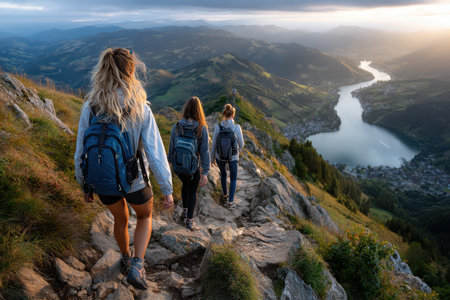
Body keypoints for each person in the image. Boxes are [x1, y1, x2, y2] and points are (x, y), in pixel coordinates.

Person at [74, 48, 173, 290]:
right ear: (130, 71)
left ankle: (126, 257)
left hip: (105, 181)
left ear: (103, 71)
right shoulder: (139, 107)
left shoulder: (91, 106)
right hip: (135, 180)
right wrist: (167, 188)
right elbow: (155, 153)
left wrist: (84, 184)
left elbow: (81, 152)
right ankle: (138, 266)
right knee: (144, 215)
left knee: (121, 219)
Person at [168, 96, 210, 230]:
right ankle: (189, 220)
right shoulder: (201, 128)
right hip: (193, 167)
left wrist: (169, 163)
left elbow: (172, 147)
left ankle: (185, 211)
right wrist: (205, 171)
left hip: (178, 166)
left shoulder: (177, 126)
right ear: (199, 111)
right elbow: (205, 152)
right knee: (192, 190)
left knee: (185, 185)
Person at [211, 104, 244, 209]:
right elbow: (242, 144)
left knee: (223, 175)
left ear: (223, 114)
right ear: (233, 115)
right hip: (233, 157)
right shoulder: (236, 128)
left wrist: (212, 158)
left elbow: (213, 144)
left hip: (219, 156)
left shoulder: (218, 127)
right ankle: (230, 202)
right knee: (233, 179)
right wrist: (236, 150)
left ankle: (225, 195)